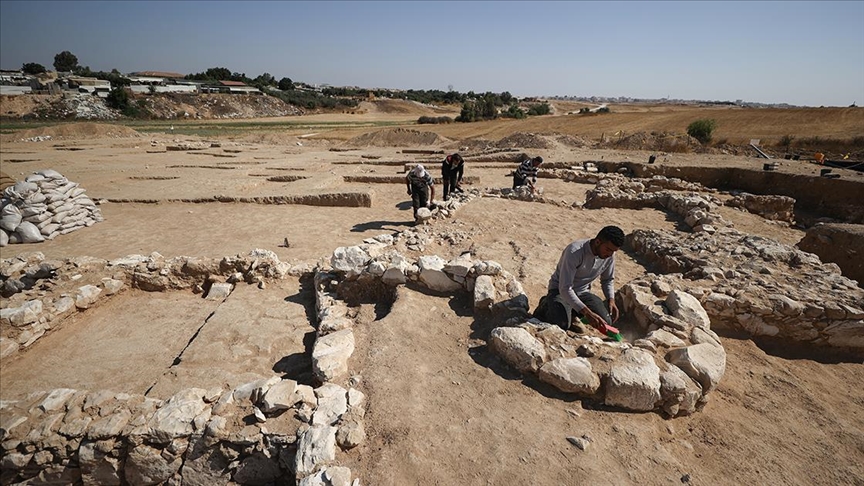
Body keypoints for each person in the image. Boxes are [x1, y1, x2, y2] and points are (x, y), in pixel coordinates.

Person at [541, 225, 626, 332]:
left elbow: (607, 280)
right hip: (560, 291)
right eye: (608, 249)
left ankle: (572, 311)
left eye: (613, 251)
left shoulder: (608, 256)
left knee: (606, 322)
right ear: (598, 242)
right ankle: (546, 304)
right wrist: (587, 313)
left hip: (582, 292)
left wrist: (611, 300)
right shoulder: (574, 252)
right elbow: (565, 288)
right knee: (562, 324)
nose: (610, 254)